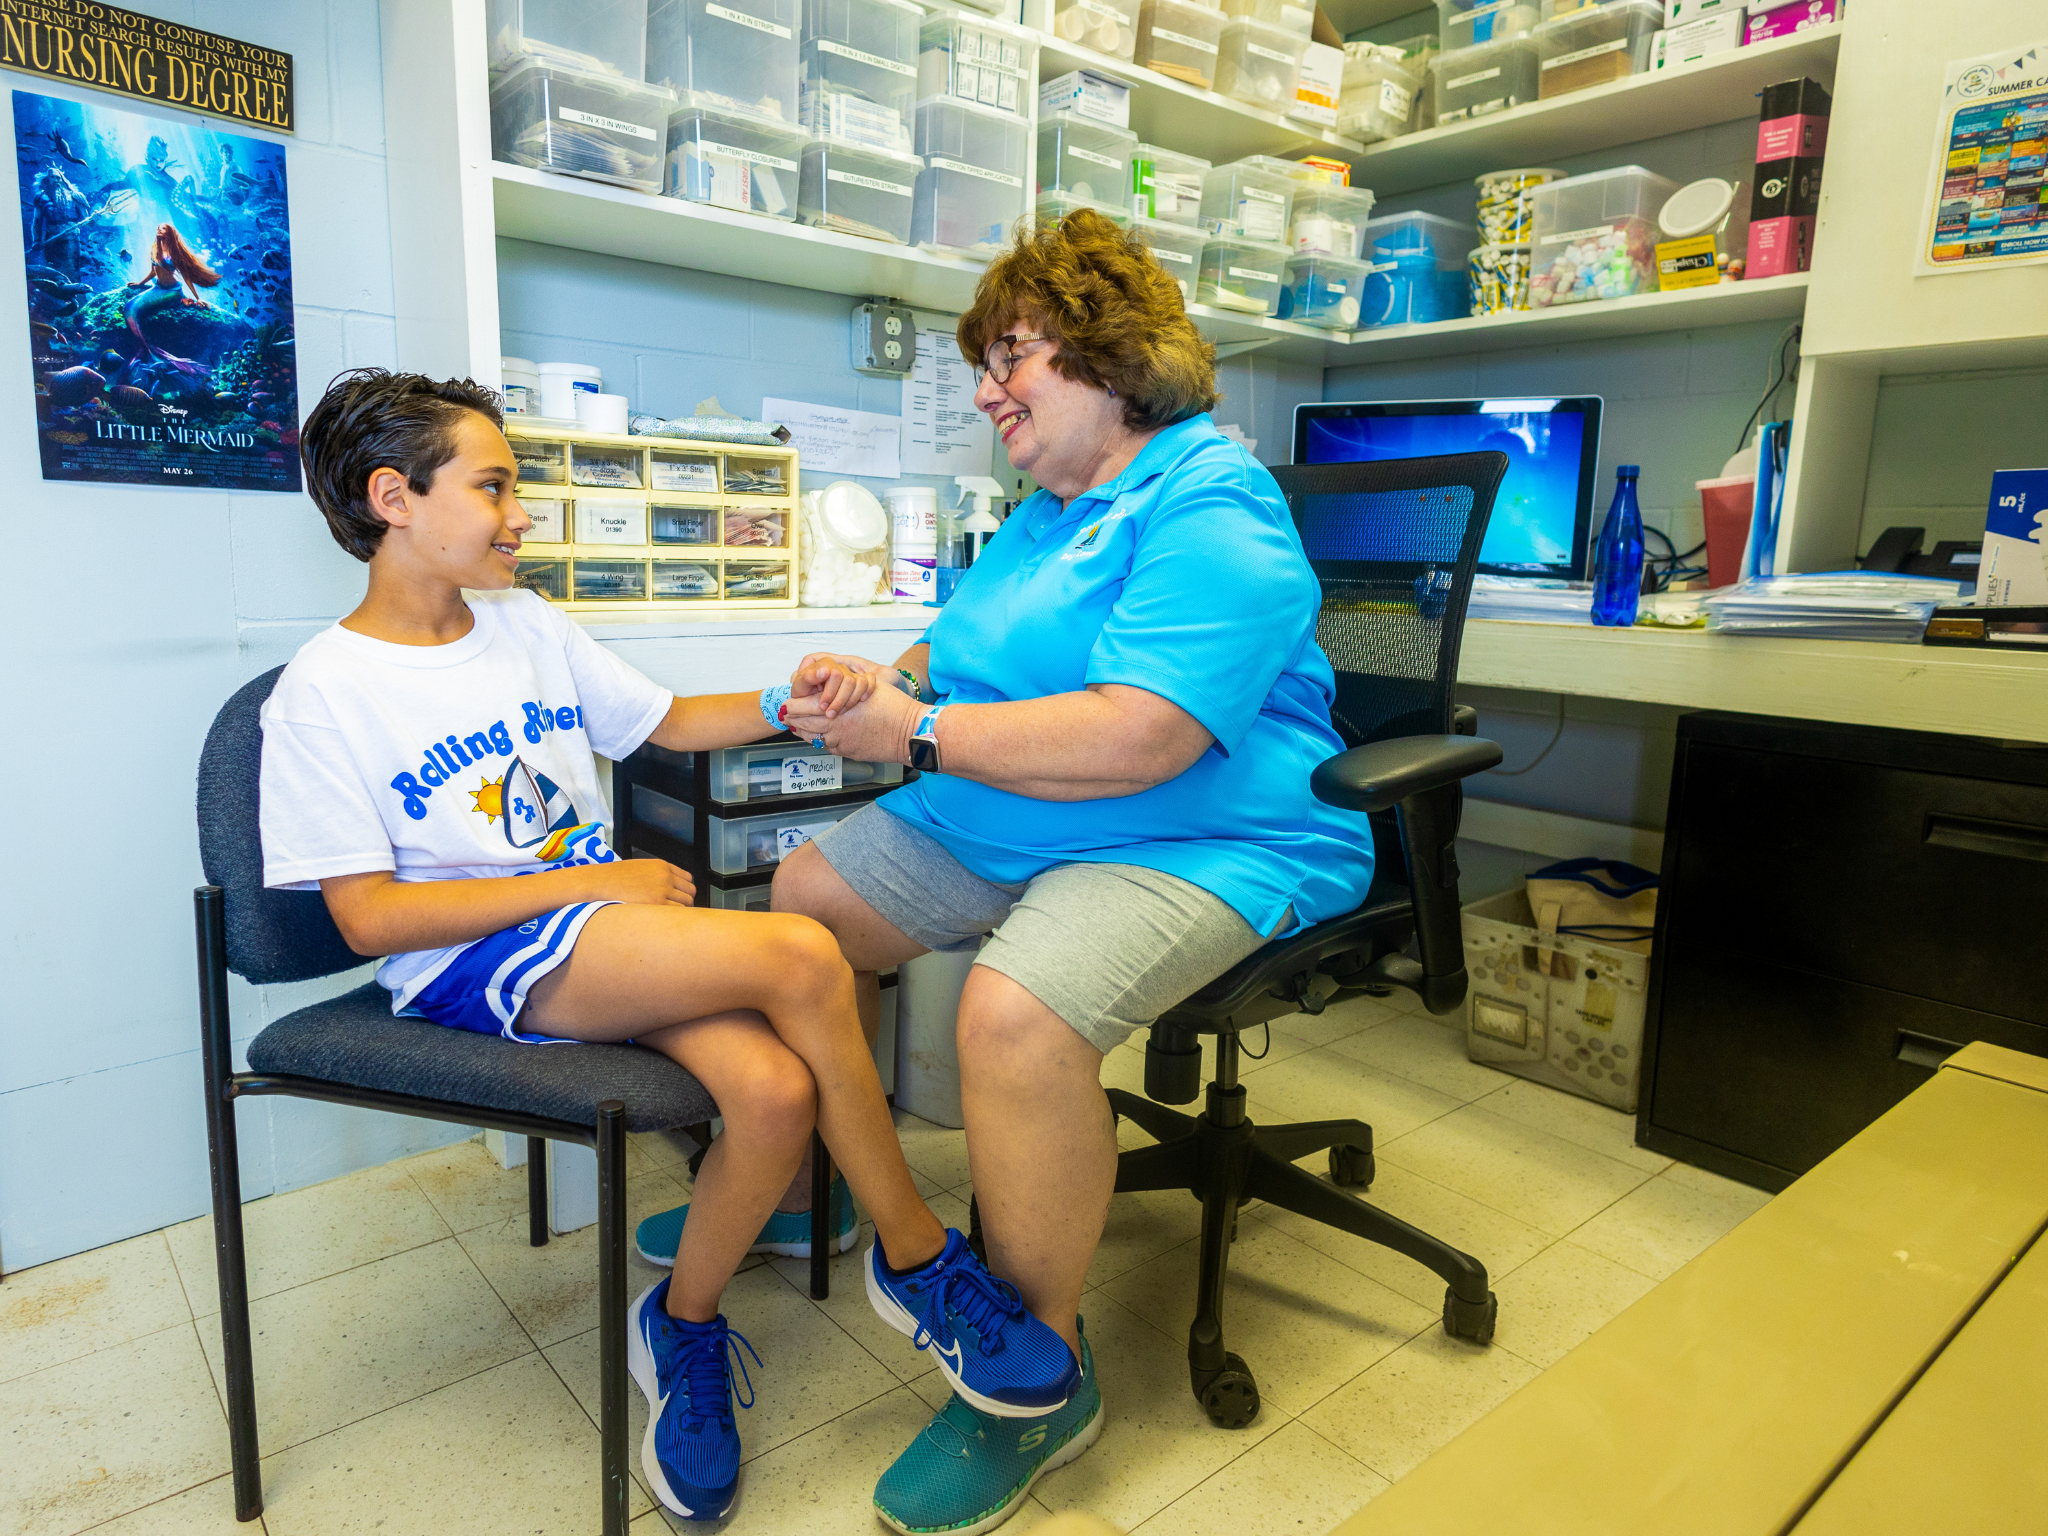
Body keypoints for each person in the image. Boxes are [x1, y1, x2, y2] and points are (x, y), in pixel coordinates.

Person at [258, 369, 1082, 1523]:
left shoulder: (525, 624)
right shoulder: (322, 693)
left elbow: (667, 725)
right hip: (475, 963)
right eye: (493, 487)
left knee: (772, 1091)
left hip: (597, 933)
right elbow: (368, 921)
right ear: (394, 498)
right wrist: (599, 876)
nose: (520, 514)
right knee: (799, 954)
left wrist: (803, 699)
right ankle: (919, 1258)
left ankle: (679, 1328)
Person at [769, 208, 1377, 1535]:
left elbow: (1141, 735)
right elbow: (959, 644)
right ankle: (808, 1189)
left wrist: (915, 732)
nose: (988, 388)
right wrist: (882, 682)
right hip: (1025, 812)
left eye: (1016, 357)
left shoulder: (1214, 499)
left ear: (1112, 358)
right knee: (804, 907)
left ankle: (1034, 1378)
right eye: (986, 360)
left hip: (1203, 830)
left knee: (1013, 1017)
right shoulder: (1050, 509)